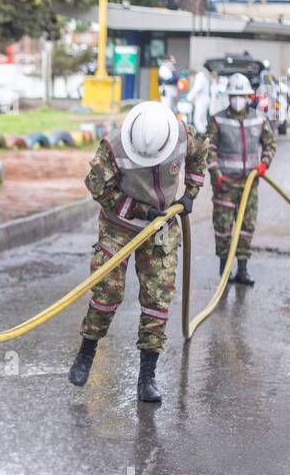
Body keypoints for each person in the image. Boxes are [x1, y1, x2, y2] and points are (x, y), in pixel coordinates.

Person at [69, 101, 207, 404]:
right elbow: (98, 189)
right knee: (107, 293)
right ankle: (86, 351)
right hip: (119, 225)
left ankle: (147, 376)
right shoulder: (114, 148)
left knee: (157, 299)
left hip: (161, 225)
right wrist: (140, 210)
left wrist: (190, 194)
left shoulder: (183, 136)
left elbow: (200, 154)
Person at [207, 73, 277, 286]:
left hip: (249, 184)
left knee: (246, 227)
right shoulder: (218, 119)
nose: (238, 100)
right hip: (225, 185)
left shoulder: (258, 118)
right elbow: (209, 150)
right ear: (228, 97)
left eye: (242, 95)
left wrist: (264, 163)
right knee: (223, 228)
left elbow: (270, 144)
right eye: (234, 95)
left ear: (248, 96)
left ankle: (243, 269)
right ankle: (224, 268)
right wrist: (216, 174)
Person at [188, 68, 211, 135]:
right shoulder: (201, 77)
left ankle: (203, 134)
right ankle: (206, 134)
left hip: (202, 102)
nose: (190, 78)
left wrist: (188, 97)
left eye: (190, 76)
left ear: (192, 74)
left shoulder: (200, 78)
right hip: (203, 101)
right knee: (203, 120)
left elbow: (196, 89)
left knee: (197, 119)